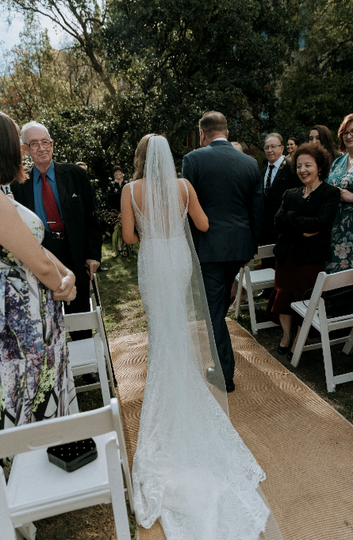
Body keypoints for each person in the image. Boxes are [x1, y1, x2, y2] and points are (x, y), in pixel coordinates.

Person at [121, 133, 281, 540]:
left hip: (153, 259)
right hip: (176, 257)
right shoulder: (184, 186)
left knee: (161, 327)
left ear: (141, 158)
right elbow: (204, 224)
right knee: (177, 323)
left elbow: (128, 238)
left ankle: (168, 383)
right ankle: (183, 383)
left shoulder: (130, 189)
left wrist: (148, 226)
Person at [0, 111, 76, 429]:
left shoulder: (3, 192)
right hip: (21, 328)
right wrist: (60, 281)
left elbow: (32, 246)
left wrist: (67, 273)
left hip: (35, 321)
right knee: (29, 410)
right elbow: (39, 263)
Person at [182, 111, 263, 392]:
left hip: (210, 249)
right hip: (240, 247)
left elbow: (187, 210)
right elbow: (257, 211)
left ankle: (224, 373)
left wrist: (191, 250)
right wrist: (250, 248)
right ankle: (223, 358)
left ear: (203, 133)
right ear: (226, 133)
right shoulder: (251, 162)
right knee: (219, 306)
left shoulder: (193, 159)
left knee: (213, 311)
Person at [11, 121, 102, 339]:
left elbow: (91, 218)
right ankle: (59, 359)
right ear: (25, 150)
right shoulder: (19, 185)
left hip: (74, 249)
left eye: (45, 142)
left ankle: (87, 366)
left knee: (79, 307)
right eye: (34, 144)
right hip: (41, 252)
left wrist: (92, 254)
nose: (42, 148)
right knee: (47, 311)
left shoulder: (74, 175)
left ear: (52, 144)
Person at [266, 143, 340, 360]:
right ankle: (287, 335)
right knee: (283, 296)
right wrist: (301, 225)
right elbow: (277, 222)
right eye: (299, 166)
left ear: (319, 167)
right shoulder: (290, 193)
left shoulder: (330, 193)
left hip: (310, 259)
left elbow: (321, 222)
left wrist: (292, 219)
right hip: (285, 256)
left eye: (308, 165)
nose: (303, 170)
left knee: (305, 297)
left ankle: (301, 336)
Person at [326, 113, 353, 273]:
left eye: (352, 132)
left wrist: (351, 197)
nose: (349, 136)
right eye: (345, 133)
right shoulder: (338, 162)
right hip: (336, 231)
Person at [107, 165, 129, 256]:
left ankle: (124, 248)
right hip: (116, 210)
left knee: (126, 228)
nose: (118, 173)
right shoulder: (111, 185)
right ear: (113, 175)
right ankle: (119, 249)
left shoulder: (127, 184)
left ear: (122, 173)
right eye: (115, 172)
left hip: (126, 209)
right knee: (117, 228)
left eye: (119, 172)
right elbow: (109, 199)